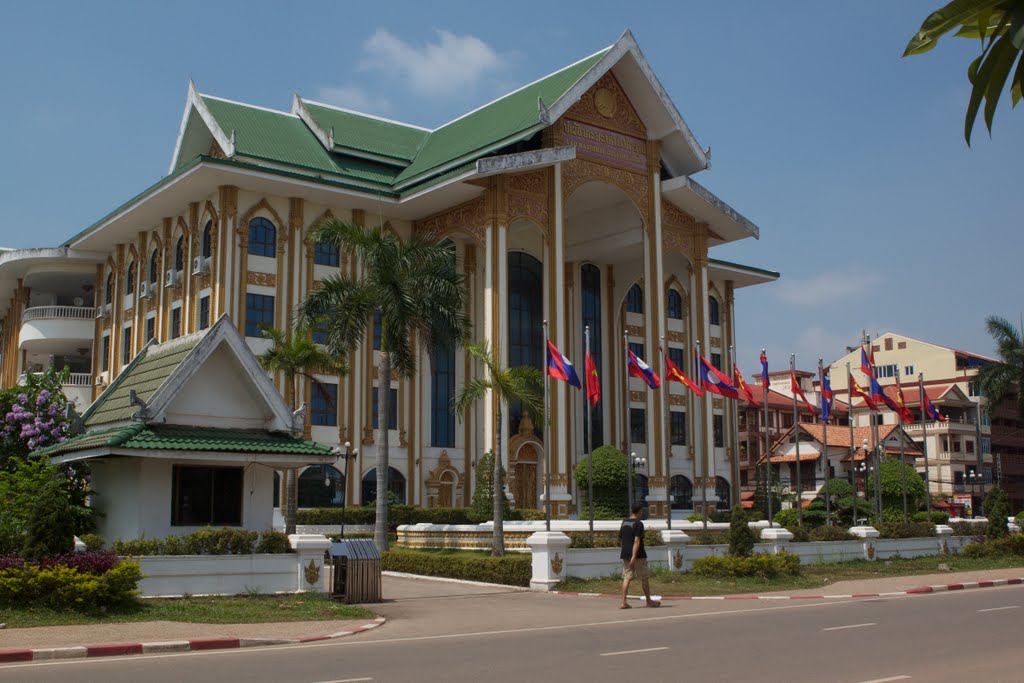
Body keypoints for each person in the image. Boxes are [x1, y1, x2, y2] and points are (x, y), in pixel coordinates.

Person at [619, 502, 659, 609]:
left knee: (627, 578)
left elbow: (622, 539)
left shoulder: (624, 522)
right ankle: (649, 601)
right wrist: (633, 557)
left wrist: (627, 554)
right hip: (638, 555)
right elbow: (637, 541)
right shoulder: (638, 524)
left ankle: (623, 602)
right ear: (640, 511)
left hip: (625, 553)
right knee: (644, 577)